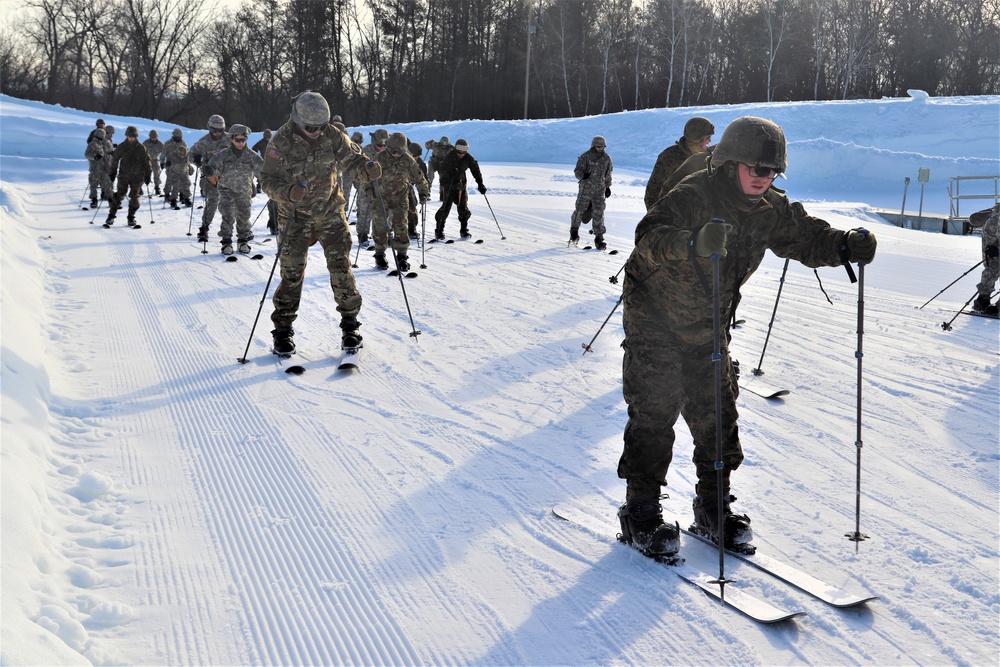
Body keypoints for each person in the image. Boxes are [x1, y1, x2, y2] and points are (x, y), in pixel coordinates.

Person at [615, 116, 878, 560]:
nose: (763, 178)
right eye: (756, 169)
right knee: (655, 410)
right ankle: (640, 510)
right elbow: (649, 235)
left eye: (771, 171)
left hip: (709, 324)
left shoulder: (769, 208)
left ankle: (712, 506)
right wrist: (693, 241)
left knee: (717, 412)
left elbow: (805, 235)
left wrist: (843, 245)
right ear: (729, 162)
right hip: (655, 318)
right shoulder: (693, 195)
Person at [258, 91, 382, 357]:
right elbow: (267, 179)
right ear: (297, 119)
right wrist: (287, 192)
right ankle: (282, 330)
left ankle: (350, 325)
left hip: (329, 212)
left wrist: (368, 169)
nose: (315, 132)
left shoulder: (333, 134)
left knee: (341, 268)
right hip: (295, 216)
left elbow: (353, 160)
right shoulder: (281, 141)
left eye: (320, 127)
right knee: (291, 274)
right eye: (310, 128)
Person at [369, 132, 430, 271]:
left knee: (401, 226)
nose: (397, 154)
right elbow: (368, 176)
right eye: (394, 151)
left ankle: (402, 256)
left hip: (401, 197)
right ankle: (380, 255)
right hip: (381, 197)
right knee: (380, 226)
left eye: (400, 151)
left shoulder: (408, 160)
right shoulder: (379, 158)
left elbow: (420, 179)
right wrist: (369, 189)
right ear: (388, 147)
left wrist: (423, 193)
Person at [204, 124, 263, 255]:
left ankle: (243, 241)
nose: (241, 143)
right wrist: (208, 170)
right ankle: (226, 242)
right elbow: (214, 169)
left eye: (243, 140)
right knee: (228, 215)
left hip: (244, 191)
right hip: (226, 190)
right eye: (238, 140)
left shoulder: (252, 156)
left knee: (244, 216)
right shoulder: (222, 155)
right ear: (231, 139)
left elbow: (262, 172)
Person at [644, 116, 715, 211]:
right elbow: (652, 194)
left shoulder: (707, 158)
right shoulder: (669, 158)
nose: (710, 141)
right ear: (697, 139)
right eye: (708, 137)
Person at [434, 138, 486, 241]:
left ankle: (464, 229)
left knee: (463, 207)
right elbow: (442, 167)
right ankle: (439, 230)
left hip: (460, 185)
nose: (461, 154)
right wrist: (449, 171)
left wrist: (480, 184)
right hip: (448, 184)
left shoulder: (468, 158)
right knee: (446, 207)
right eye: (459, 151)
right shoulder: (450, 156)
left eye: (464, 151)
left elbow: (476, 170)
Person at [190, 114, 230, 242]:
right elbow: (190, 154)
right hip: (210, 176)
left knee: (230, 205)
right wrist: (196, 159)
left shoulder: (230, 139)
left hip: (228, 176)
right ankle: (204, 228)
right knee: (212, 202)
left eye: (220, 130)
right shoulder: (204, 141)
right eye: (214, 130)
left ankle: (229, 230)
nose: (217, 133)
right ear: (209, 128)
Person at [570, 135, 613, 249]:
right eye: (598, 146)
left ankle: (599, 238)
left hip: (599, 191)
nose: (600, 148)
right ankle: (574, 232)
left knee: (599, 213)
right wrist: (582, 175)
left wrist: (608, 187)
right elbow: (577, 171)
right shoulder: (585, 157)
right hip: (586, 190)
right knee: (580, 211)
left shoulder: (607, 159)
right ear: (594, 146)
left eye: (602, 146)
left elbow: (608, 174)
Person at [104, 125, 152, 228]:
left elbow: (146, 162)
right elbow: (115, 160)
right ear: (126, 136)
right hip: (124, 175)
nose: (131, 138)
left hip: (137, 177)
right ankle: (111, 215)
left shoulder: (141, 148)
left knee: (134, 197)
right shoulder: (122, 146)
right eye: (129, 136)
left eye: (133, 136)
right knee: (119, 195)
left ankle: (131, 217)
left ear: (136, 136)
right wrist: (112, 173)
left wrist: (148, 175)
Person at [354, 129, 388, 248]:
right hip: (366, 183)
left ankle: (383, 234)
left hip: (383, 185)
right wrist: (364, 187)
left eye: (384, 145)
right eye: (380, 145)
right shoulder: (366, 151)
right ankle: (362, 234)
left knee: (384, 211)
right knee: (364, 209)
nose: (382, 148)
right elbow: (359, 170)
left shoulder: (388, 152)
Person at [972, 204, 1000, 315]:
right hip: (993, 241)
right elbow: (991, 227)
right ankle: (983, 299)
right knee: (992, 269)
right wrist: (991, 245)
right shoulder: (996, 218)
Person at [162, 128, 191, 209]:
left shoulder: (183, 143)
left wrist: (189, 165)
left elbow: (186, 154)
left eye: (180, 137)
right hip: (171, 164)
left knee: (185, 182)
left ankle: (184, 196)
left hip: (182, 165)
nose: (178, 138)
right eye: (177, 137)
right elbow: (163, 153)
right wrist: (162, 162)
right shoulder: (168, 143)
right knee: (171, 181)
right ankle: (168, 194)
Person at [84, 127, 112, 207]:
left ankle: (111, 199)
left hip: (105, 168)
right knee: (93, 184)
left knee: (107, 184)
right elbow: (87, 154)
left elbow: (108, 153)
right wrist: (94, 157)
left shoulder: (104, 143)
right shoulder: (92, 144)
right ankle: (94, 200)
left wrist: (112, 153)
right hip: (95, 168)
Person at [407, 140, 428, 238]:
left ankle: (412, 229)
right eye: (414, 155)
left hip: (408, 188)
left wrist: (423, 193)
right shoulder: (401, 159)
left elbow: (422, 179)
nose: (416, 158)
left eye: (418, 156)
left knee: (412, 208)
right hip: (393, 188)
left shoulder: (420, 163)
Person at [164, 144, 193, 212]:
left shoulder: (187, 155)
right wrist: (167, 164)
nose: (182, 156)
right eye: (181, 154)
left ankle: (186, 199)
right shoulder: (172, 155)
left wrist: (191, 169)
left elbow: (188, 163)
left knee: (186, 185)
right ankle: (173, 200)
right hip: (175, 171)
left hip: (184, 171)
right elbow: (167, 162)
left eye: (184, 154)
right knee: (176, 185)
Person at [251, 128, 272, 194]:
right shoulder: (261, 142)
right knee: (261, 174)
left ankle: (271, 187)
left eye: (269, 137)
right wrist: (257, 156)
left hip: (272, 160)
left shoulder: (273, 141)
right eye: (267, 137)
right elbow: (254, 148)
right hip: (263, 161)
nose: (268, 139)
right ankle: (259, 187)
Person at [143, 130, 165, 195]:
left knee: (157, 174)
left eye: (154, 137)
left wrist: (162, 161)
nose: (153, 138)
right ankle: (139, 188)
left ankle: (157, 187)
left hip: (155, 160)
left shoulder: (160, 144)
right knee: (144, 174)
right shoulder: (146, 142)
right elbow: (141, 151)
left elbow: (164, 152)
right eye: (152, 137)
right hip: (147, 160)